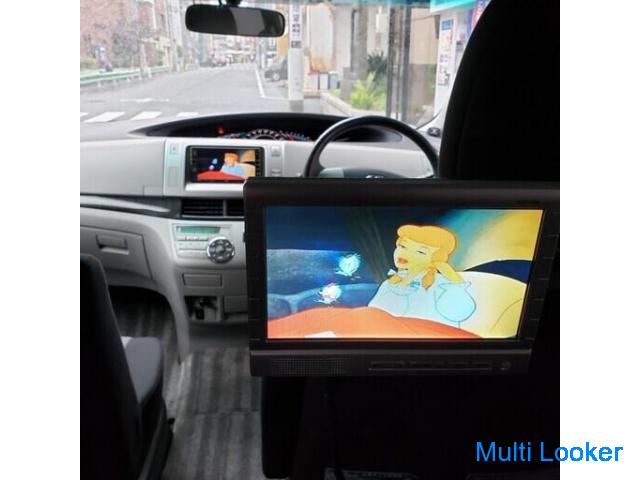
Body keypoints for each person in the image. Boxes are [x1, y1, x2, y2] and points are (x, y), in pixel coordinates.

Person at [368, 224, 476, 326]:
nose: (405, 253)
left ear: (436, 258)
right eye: (403, 246)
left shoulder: (442, 283)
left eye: (420, 252)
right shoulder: (390, 283)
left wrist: (455, 286)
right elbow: (374, 314)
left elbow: (459, 314)